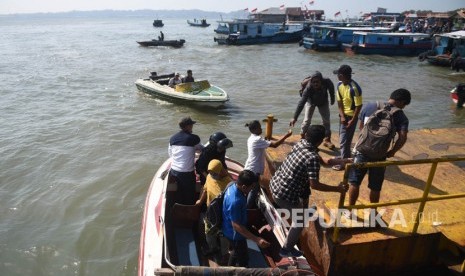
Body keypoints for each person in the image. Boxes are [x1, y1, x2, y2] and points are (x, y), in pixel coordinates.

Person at [269, 125, 351, 258]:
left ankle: (304, 212)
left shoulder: (301, 144)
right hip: (284, 195)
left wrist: (344, 160)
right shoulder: (311, 157)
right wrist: (337, 189)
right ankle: (286, 250)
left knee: (303, 201)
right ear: (320, 141)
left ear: (307, 135)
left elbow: (324, 161)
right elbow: (315, 185)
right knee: (300, 221)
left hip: (276, 184)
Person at [348, 89, 411, 208]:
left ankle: (349, 210)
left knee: (354, 182)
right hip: (380, 155)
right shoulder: (401, 116)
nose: (403, 108)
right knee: (375, 187)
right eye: (404, 105)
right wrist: (392, 152)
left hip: (361, 151)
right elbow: (402, 137)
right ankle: (373, 214)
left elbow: (361, 127)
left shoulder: (370, 106)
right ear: (402, 102)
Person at [222, 170, 270, 267]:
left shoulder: (231, 185)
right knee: (243, 258)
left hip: (228, 228)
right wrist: (257, 239)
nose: (252, 189)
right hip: (235, 234)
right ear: (244, 186)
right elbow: (236, 225)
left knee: (236, 252)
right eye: (251, 187)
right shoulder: (235, 201)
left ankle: (228, 270)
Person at [243, 120, 292, 208]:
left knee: (254, 188)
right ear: (254, 129)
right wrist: (286, 135)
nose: (261, 129)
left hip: (249, 166)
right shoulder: (257, 140)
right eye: (259, 127)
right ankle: (248, 209)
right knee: (254, 190)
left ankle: (249, 205)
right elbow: (275, 145)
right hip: (253, 169)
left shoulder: (251, 138)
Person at [195, 159, 232, 261]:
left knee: (223, 235)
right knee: (209, 233)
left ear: (221, 170)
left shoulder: (229, 183)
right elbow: (205, 189)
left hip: (223, 215)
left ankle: (225, 253)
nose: (212, 175)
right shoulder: (209, 177)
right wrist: (200, 201)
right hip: (210, 212)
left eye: (214, 173)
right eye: (210, 172)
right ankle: (213, 248)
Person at [290, 71, 335, 149]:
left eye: (317, 82)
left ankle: (327, 140)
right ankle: (303, 137)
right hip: (310, 102)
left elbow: (331, 90)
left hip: (323, 102)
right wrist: (295, 118)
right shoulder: (308, 88)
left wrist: (332, 99)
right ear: (311, 82)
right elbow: (301, 103)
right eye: (313, 82)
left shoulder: (327, 81)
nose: (315, 84)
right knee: (307, 120)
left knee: (326, 121)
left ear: (321, 81)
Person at [333, 64, 363, 170]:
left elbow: (359, 106)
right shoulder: (339, 85)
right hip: (343, 116)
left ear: (341, 76)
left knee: (343, 140)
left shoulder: (354, 88)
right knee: (345, 139)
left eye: (338, 75)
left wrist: (353, 120)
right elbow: (339, 102)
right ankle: (346, 157)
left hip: (351, 117)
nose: (337, 77)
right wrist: (342, 116)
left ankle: (344, 163)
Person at [168, 117, 203, 205]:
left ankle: (178, 204)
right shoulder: (194, 138)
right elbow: (202, 149)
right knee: (190, 194)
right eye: (191, 125)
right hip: (186, 173)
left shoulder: (172, 139)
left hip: (173, 171)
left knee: (179, 192)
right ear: (187, 126)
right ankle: (189, 207)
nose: (192, 127)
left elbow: (171, 155)